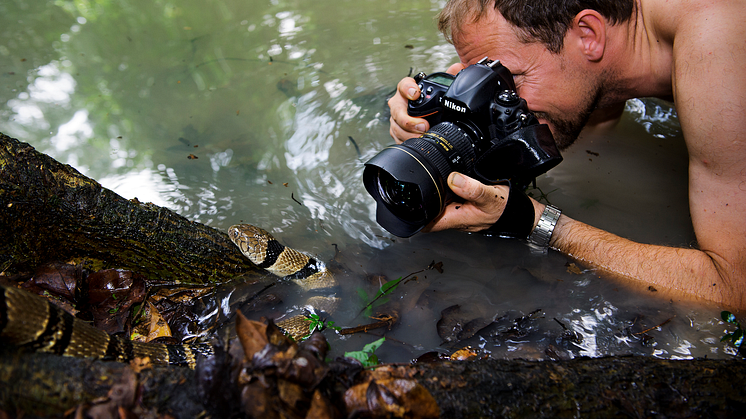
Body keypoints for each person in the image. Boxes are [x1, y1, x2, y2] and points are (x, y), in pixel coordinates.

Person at [388, 0, 746, 309]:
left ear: (588, 34)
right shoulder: (607, 56)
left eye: (509, 78)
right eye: (485, 76)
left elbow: (733, 287)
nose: (503, 93)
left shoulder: (717, 40)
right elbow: (587, 142)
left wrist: (537, 222)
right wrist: (442, 117)